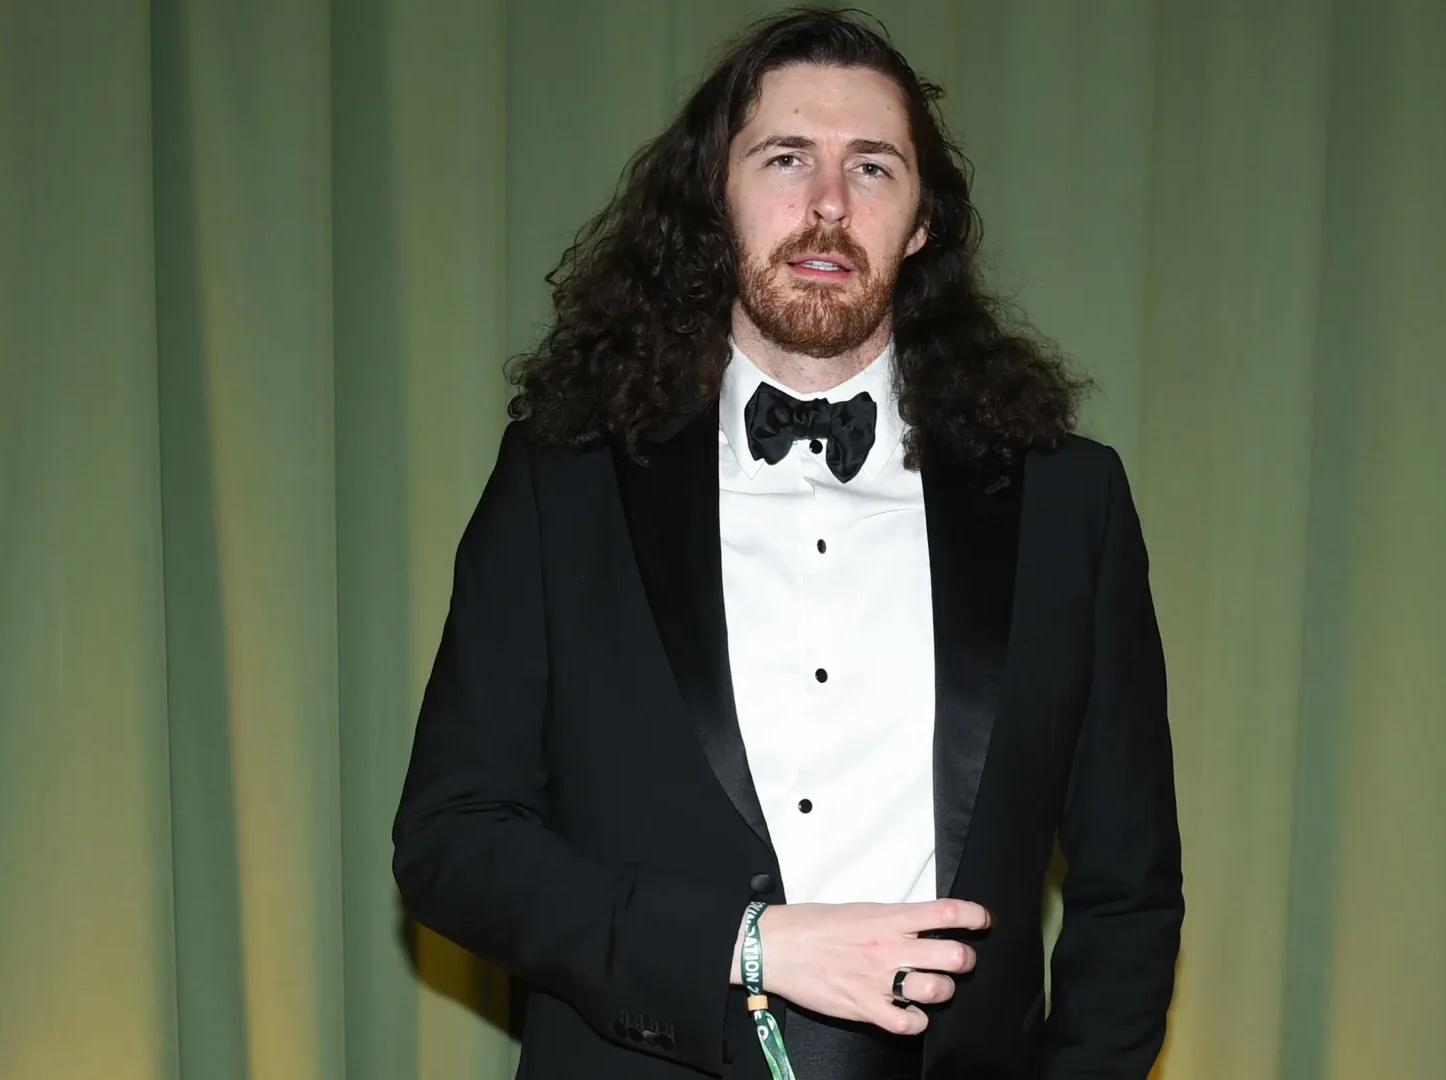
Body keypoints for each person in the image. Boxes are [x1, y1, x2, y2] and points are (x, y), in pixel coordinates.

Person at [391, 8, 1182, 1078]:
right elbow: (453, 842)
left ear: (921, 224)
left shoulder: (1068, 503)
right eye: (785, 159)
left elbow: (1128, 891)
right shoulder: (563, 481)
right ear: (716, 198)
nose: (826, 206)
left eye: (872, 169)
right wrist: (744, 947)